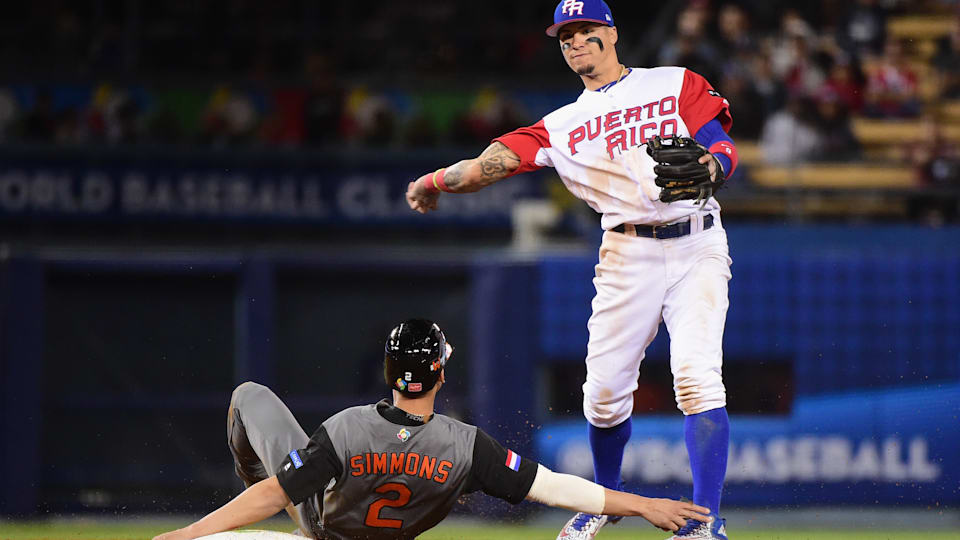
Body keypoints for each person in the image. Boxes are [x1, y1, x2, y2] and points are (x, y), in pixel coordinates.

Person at [405, 2, 737, 539]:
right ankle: (604, 500)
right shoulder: (560, 126)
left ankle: (706, 522)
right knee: (603, 395)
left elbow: (720, 141)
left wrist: (717, 162)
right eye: (565, 36)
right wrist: (432, 181)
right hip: (626, 253)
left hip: (696, 240)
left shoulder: (672, 81)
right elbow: (484, 167)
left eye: (585, 30)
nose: (575, 41)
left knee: (697, 379)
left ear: (612, 33)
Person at [152, 319, 711, 540]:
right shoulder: (464, 445)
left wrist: (190, 531)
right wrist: (643, 504)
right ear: (441, 373)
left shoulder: (345, 429)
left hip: (320, 527)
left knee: (249, 397)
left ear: (388, 372)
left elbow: (276, 492)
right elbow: (554, 487)